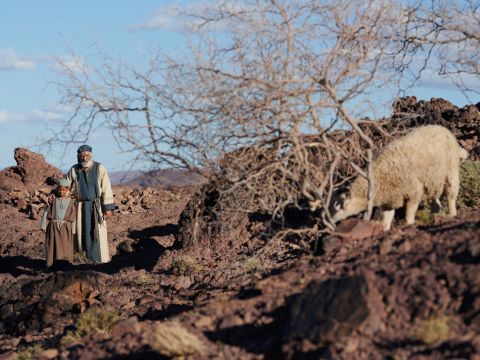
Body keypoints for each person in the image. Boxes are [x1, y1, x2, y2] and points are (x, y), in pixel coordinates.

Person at [66, 145, 115, 263]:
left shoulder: (100, 168)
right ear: (78, 157)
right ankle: (82, 259)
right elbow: (65, 187)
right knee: (80, 233)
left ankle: (100, 260)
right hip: (80, 208)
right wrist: (56, 195)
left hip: (96, 207)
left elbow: (106, 188)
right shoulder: (74, 169)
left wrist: (107, 208)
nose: (84, 158)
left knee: (97, 233)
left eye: (86, 155)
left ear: (91, 156)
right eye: (81, 156)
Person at [40, 179, 76, 268]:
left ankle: (64, 265)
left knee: (64, 246)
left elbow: (74, 217)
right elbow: (46, 211)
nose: (61, 191)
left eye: (63, 189)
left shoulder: (70, 202)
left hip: (65, 228)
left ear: (67, 190)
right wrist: (43, 224)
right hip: (53, 227)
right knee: (52, 246)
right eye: (59, 189)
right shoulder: (53, 200)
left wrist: (73, 229)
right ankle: (51, 265)